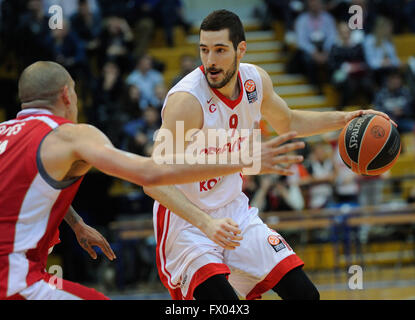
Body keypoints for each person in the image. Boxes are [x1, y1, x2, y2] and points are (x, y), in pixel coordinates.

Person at [143, 9, 393, 301]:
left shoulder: (255, 82)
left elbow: (289, 122)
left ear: (241, 49)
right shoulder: (186, 102)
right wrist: (207, 222)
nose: (210, 61)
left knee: (306, 295)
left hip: (235, 213)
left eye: (220, 50)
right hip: (188, 224)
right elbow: (153, 180)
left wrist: (345, 119)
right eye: (204, 50)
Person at [0, 61, 302, 300]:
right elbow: (151, 173)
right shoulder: (69, 134)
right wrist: (245, 160)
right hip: (13, 277)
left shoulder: (5, 133)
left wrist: (76, 223)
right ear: (68, 94)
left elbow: (24, 183)